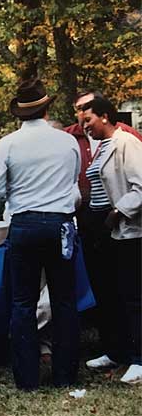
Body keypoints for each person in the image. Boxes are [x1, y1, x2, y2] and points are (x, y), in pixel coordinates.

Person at [0, 78, 81, 390]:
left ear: (19, 114)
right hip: (60, 224)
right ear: (46, 108)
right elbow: (73, 182)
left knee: (23, 302)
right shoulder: (66, 142)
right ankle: (65, 376)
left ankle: (27, 379)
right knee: (64, 301)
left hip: (24, 224)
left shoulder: (8, 144)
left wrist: (17, 188)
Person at [80, 96, 142, 384]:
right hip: (104, 229)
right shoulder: (101, 146)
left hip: (128, 229)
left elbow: (140, 186)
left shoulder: (126, 143)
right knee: (110, 293)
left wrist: (118, 211)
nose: (83, 122)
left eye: (88, 117)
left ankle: (139, 360)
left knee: (133, 295)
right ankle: (117, 351)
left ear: (105, 116)